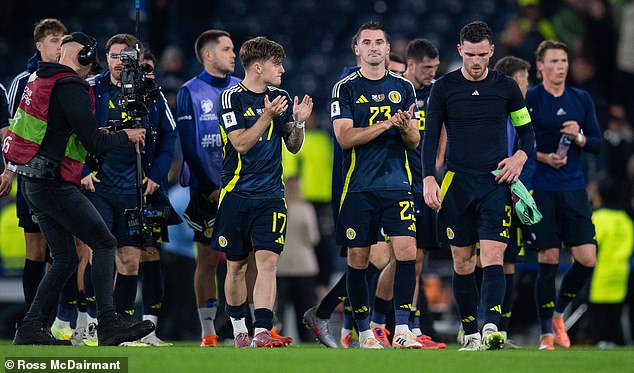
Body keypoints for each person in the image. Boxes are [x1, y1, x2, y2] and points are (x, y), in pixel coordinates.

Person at [0, 32, 154, 345]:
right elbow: (94, 142)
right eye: (90, 64)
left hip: (34, 181)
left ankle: (30, 327)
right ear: (82, 56)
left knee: (66, 258)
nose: (89, 72)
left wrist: (103, 132)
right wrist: (127, 135)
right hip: (53, 183)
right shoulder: (71, 85)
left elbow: (60, 130)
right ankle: (109, 326)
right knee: (104, 242)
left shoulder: (40, 78)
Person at [422, 21, 534, 351]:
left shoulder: (507, 87)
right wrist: (429, 176)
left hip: (494, 182)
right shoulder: (443, 88)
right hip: (457, 182)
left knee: (494, 256)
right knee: (463, 263)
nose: (475, 61)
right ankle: (470, 331)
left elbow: (527, 133)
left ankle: (490, 328)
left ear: (491, 52)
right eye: (470, 54)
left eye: (482, 55)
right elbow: (430, 137)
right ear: (460, 51)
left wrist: (519, 158)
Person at [214, 36, 313, 348]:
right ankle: (238, 327)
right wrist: (267, 116)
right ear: (257, 67)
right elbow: (240, 143)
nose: (282, 69)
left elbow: (293, 147)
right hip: (235, 194)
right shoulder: (230, 99)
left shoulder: (280, 97)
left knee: (268, 262)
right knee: (236, 266)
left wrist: (297, 123)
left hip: (271, 195)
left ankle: (262, 331)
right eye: (276, 64)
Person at [81, 33, 177, 347]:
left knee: (131, 260)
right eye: (114, 56)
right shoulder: (90, 89)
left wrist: (157, 175)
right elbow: (71, 132)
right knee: (99, 256)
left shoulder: (151, 91)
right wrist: (82, 170)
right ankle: (94, 322)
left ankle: (121, 327)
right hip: (98, 187)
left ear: (136, 58)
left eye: (127, 56)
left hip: (135, 191)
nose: (121, 62)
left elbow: (168, 138)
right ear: (106, 58)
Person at [331, 21, 422, 349]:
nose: (373, 47)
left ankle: (401, 329)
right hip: (358, 186)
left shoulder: (405, 88)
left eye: (379, 42)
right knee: (358, 257)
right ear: (357, 49)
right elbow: (344, 137)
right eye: (366, 42)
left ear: (387, 48)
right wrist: (386, 124)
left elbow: (414, 141)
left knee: (407, 251)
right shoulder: (344, 88)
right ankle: (365, 332)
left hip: (397, 183)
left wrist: (405, 127)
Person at [524, 40, 601, 351]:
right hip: (542, 188)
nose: (561, 67)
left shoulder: (581, 98)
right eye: (554, 61)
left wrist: (578, 137)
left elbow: (596, 142)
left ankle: (557, 314)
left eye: (564, 61)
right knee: (549, 259)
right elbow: (519, 142)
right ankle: (545, 334)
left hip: (573, 189)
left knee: (587, 258)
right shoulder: (531, 98)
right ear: (540, 66)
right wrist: (543, 157)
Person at [176, 29, 241, 347]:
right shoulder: (190, 91)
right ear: (209, 55)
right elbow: (189, 147)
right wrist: (210, 188)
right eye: (228, 49)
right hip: (206, 190)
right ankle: (208, 331)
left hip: (240, 189)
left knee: (249, 258)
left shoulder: (240, 89)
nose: (234, 55)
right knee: (207, 258)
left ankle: (250, 328)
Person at [6, 19, 71, 331]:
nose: (59, 46)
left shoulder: (70, 79)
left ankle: (52, 322)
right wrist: (9, 170)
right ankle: (35, 324)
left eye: (62, 40)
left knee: (60, 251)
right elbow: (13, 131)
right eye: (54, 40)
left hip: (61, 179)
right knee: (37, 248)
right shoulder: (22, 81)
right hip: (31, 176)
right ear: (39, 45)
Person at [492, 55, 534, 349]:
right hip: (489, 192)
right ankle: (474, 326)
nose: (526, 85)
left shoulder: (521, 114)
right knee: (481, 260)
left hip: (515, 194)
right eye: (523, 80)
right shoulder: (493, 110)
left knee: (509, 264)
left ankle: (500, 332)